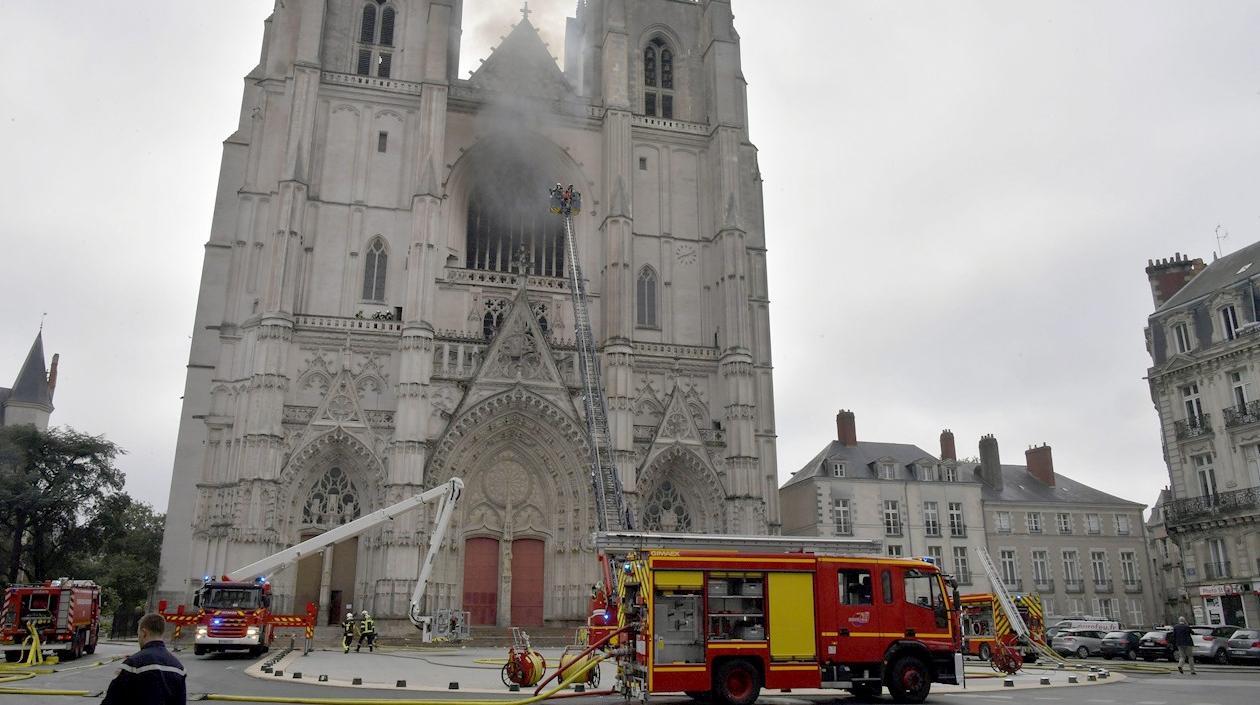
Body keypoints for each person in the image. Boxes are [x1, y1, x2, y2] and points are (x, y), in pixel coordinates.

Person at [101, 612, 186, 705]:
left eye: (138, 634)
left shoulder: (132, 665)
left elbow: (112, 700)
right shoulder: (178, 668)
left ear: (144, 633)